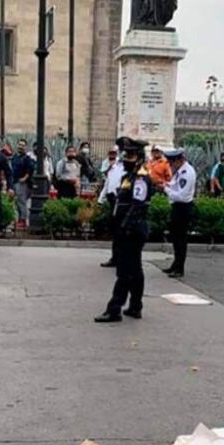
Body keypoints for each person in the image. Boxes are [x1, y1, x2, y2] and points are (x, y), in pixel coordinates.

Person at [95, 137, 154, 323]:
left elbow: (138, 205)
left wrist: (125, 226)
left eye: (130, 155)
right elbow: (125, 201)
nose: (126, 158)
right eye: (125, 154)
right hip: (127, 229)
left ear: (139, 157)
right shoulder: (130, 176)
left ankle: (114, 309)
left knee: (125, 271)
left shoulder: (141, 177)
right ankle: (135, 306)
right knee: (134, 270)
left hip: (132, 231)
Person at [160, 148, 196, 278]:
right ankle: (175, 265)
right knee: (175, 239)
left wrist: (165, 189)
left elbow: (181, 195)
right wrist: (167, 185)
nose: (170, 165)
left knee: (180, 240)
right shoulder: (180, 171)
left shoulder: (187, 173)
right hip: (178, 208)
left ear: (178, 160)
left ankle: (179, 268)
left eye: (171, 162)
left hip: (183, 208)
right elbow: (174, 185)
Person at [97, 153, 125, 267]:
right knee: (115, 232)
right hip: (112, 201)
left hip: (121, 202)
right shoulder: (112, 169)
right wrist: (100, 199)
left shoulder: (125, 170)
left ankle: (122, 258)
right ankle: (115, 258)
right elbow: (107, 185)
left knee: (121, 232)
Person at [10, 138, 37, 229]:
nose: (20, 147)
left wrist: (25, 178)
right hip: (15, 181)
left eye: (23, 145)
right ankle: (19, 219)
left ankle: (23, 220)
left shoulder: (27, 158)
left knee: (22, 202)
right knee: (17, 202)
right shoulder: (15, 157)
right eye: (19, 145)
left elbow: (30, 169)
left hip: (22, 183)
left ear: (25, 147)